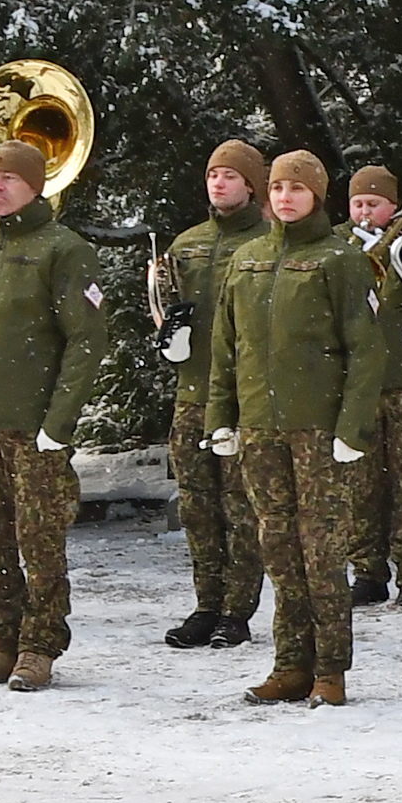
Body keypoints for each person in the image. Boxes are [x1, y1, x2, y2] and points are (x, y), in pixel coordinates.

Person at [206, 151, 383, 707]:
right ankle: (289, 663)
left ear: (316, 195)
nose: (285, 197)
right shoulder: (248, 258)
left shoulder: (339, 260)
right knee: (277, 545)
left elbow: (366, 349)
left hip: (317, 427)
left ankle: (330, 667)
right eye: (278, 187)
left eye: (296, 189)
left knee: (322, 549)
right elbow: (226, 348)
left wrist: (351, 426)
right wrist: (222, 415)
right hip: (260, 425)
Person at [0, 140, 111, 691]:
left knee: (38, 539)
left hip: (34, 425)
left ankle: (38, 646)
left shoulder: (63, 249)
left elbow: (85, 341)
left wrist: (58, 422)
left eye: (9, 179)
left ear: (36, 185)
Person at [160, 140, 271, 649]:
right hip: (193, 392)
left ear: (252, 185)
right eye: (213, 175)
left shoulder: (271, 243)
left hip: (246, 397)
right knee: (198, 506)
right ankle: (206, 603)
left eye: (230, 175)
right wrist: (169, 339)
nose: (219, 183)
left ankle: (237, 609)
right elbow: (165, 308)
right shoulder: (186, 245)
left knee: (242, 505)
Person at [341, 165, 402, 612]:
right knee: (360, 484)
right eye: (357, 203)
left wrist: (401, 249)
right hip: (358, 384)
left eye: (373, 204)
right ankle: (367, 571)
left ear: (393, 207)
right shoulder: (340, 246)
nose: (364, 212)